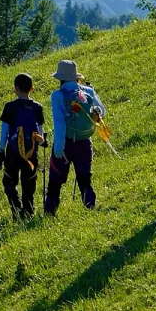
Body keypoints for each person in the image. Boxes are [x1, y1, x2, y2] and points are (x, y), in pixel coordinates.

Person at [46, 60, 105, 215]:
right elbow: (102, 112)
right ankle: (90, 208)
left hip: (66, 143)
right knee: (85, 178)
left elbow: (59, 124)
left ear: (60, 78)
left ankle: (50, 212)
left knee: (55, 180)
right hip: (85, 141)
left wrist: (58, 148)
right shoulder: (88, 91)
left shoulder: (58, 95)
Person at [0, 73, 45, 219]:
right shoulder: (37, 107)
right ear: (31, 88)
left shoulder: (10, 107)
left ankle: (16, 209)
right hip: (31, 153)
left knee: (9, 180)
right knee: (29, 182)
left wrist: (1, 151)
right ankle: (29, 211)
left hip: (13, 152)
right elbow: (40, 132)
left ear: (15, 88)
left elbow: (4, 131)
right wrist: (42, 142)